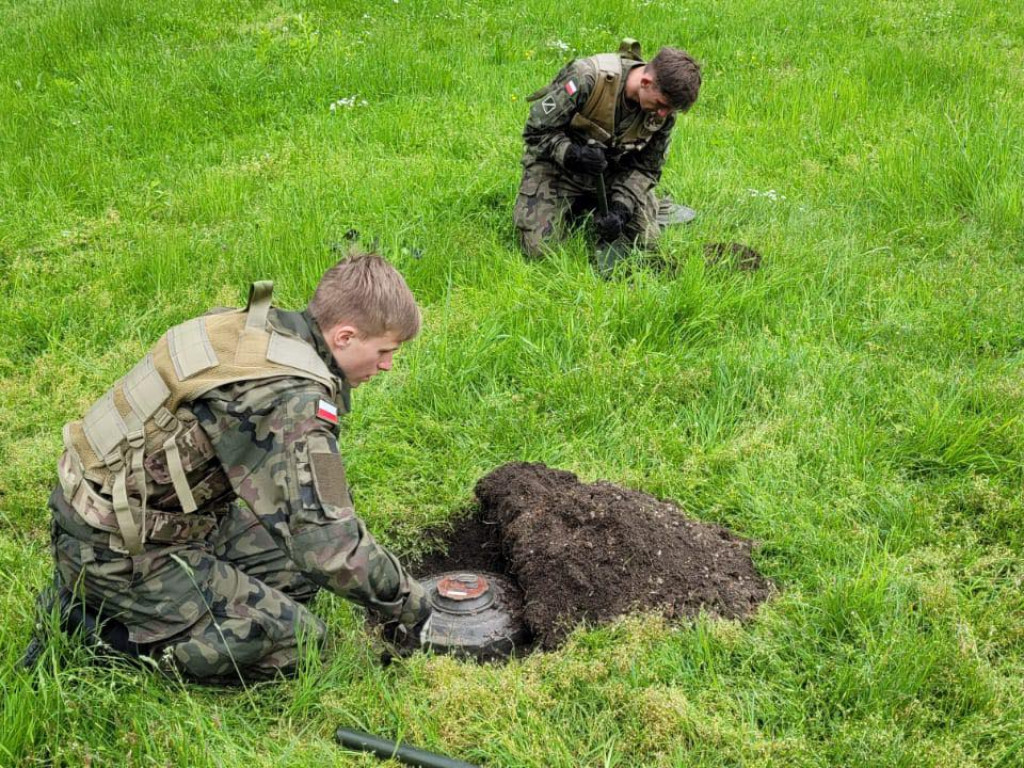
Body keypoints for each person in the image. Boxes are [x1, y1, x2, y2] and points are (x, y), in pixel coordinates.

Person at [35, 252, 431, 683]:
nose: (388, 366)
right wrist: (412, 602)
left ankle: (126, 599)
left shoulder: (256, 330)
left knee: (299, 577)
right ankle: (98, 631)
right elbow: (330, 545)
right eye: (385, 351)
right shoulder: (293, 400)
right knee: (298, 643)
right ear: (345, 336)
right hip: (119, 548)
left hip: (141, 514)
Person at [513, 40, 702, 272]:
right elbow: (535, 131)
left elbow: (647, 168)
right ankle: (578, 205)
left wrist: (621, 209)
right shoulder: (587, 78)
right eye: (661, 104)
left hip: (612, 175)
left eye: (669, 110)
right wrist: (572, 154)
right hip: (559, 171)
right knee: (540, 252)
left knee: (647, 245)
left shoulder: (663, 113)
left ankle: (620, 207)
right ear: (646, 82)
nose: (663, 113)